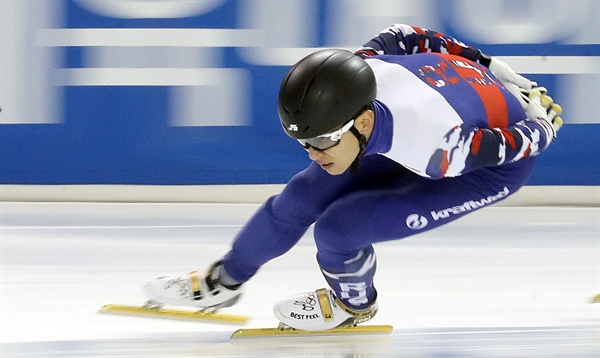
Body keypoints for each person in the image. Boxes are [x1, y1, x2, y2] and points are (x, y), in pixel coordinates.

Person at [144, 24, 563, 331]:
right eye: (304, 143)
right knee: (301, 196)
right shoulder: (362, 67)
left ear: (362, 121)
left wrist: (539, 122)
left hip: (487, 164)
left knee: (341, 227)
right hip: (418, 123)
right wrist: (488, 62)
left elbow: (526, 143)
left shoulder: (439, 150)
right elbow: (406, 35)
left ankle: (352, 305)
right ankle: (225, 280)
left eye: (323, 141)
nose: (314, 153)